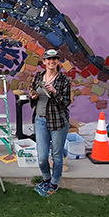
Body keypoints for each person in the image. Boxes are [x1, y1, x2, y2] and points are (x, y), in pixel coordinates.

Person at [29, 49, 72, 197]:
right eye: (49, 59)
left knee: (56, 155)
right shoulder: (38, 76)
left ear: (57, 61)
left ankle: (54, 182)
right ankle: (46, 178)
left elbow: (66, 102)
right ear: (44, 62)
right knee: (41, 156)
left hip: (58, 122)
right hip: (40, 120)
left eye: (54, 59)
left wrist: (54, 92)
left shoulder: (64, 80)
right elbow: (33, 95)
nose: (51, 62)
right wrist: (33, 96)